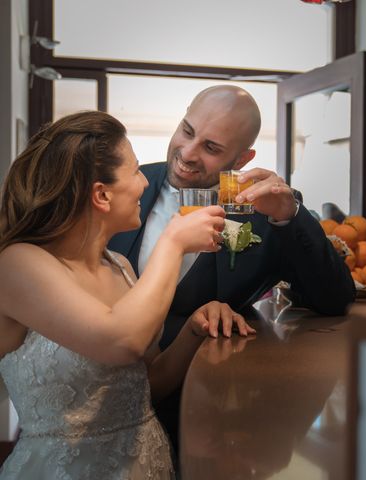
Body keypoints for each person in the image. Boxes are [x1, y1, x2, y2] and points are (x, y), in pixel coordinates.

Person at [0, 111, 253, 479]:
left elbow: (144, 382)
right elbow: (121, 341)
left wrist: (192, 332)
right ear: (101, 195)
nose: (144, 184)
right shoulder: (17, 265)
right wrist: (173, 241)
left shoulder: (119, 265)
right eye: (135, 172)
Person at [107, 85, 355, 451]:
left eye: (211, 148)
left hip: (207, 415)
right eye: (187, 131)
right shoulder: (126, 186)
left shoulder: (269, 211)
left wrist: (290, 217)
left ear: (242, 158)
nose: (187, 154)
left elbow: (335, 300)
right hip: (105, 400)